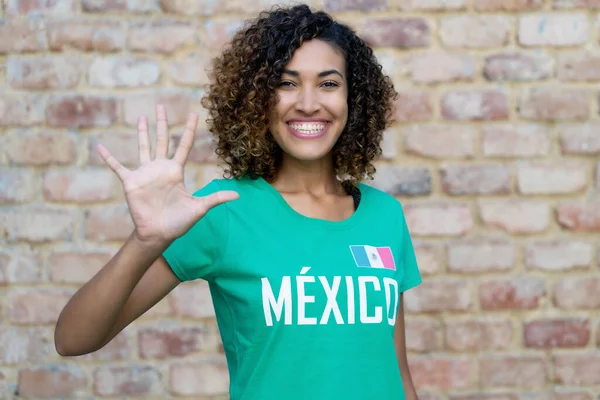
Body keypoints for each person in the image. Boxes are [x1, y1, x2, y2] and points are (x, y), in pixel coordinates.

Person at [54, 4, 423, 400]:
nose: (309, 103)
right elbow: (73, 339)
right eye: (286, 83)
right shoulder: (224, 210)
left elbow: (395, 372)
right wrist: (144, 242)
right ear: (258, 99)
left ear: (355, 98)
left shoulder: (385, 214)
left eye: (329, 84)